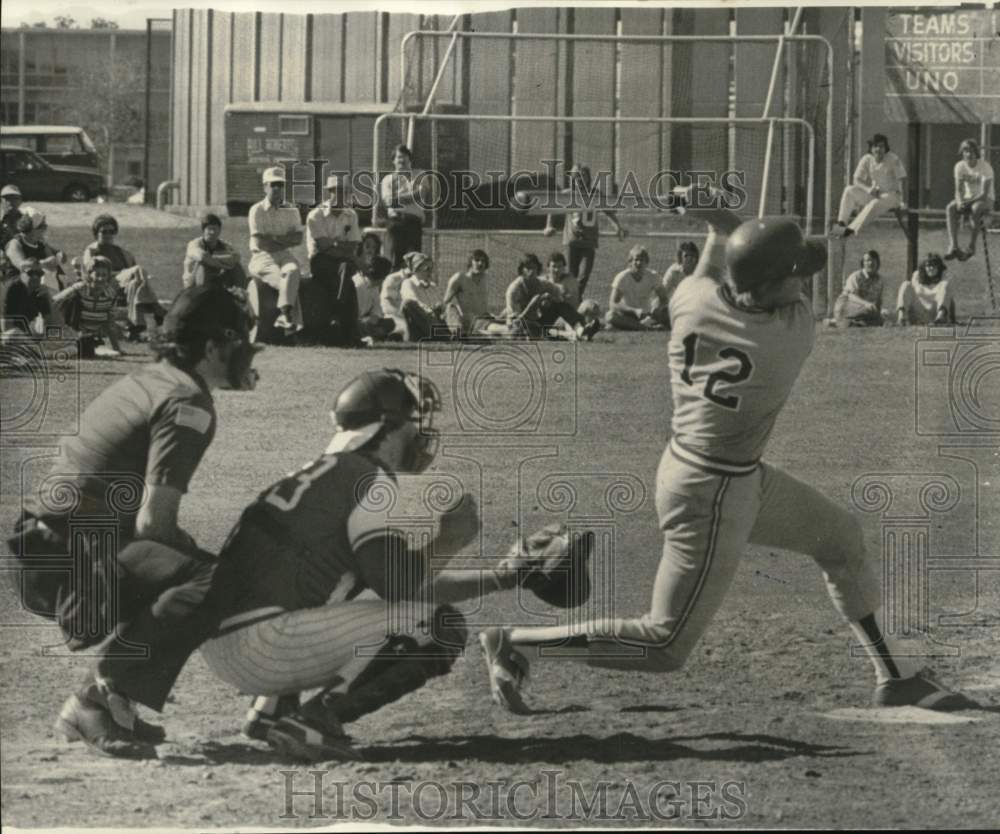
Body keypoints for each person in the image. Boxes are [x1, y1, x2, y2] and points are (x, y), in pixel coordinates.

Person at [480, 205, 979, 715]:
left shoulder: (690, 303)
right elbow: (744, 271)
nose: (804, 281)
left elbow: (715, 274)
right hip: (712, 494)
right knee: (665, 643)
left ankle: (895, 675)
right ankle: (517, 643)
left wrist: (719, 226)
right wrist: (725, 222)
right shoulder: (788, 334)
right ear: (768, 286)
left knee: (841, 540)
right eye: (795, 276)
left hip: (716, 473)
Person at [199, 369, 542, 761]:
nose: (422, 435)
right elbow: (398, 586)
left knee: (342, 596)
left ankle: (273, 709)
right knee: (440, 627)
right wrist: (449, 540)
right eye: (415, 423)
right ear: (390, 428)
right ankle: (316, 720)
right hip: (263, 645)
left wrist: (507, 576)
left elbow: (403, 592)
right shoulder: (369, 480)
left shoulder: (325, 473)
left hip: (225, 640)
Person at [5, 285, 261, 759]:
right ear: (211, 347)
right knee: (219, 580)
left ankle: (107, 700)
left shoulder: (152, 376)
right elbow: (153, 524)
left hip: (46, 547)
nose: (244, 353)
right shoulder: (189, 401)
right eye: (238, 342)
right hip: (71, 560)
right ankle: (96, 699)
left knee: (188, 572)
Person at [543, 163, 628, 298]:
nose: (580, 179)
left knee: (583, 277)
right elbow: (551, 207)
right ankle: (572, 302)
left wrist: (618, 227)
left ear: (588, 178)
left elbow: (609, 211)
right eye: (576, 176)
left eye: (583, 176)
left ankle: (573, 301)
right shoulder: (567, 194)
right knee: (571, 276)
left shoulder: (595, 194)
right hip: (572, 241)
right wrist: (549, 225)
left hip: (589, 241)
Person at [82, 213, 165, 340]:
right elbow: (91, 273)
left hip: (124, 288)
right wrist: (123, 273)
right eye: (104, 231)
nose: (108, 235)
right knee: (138, 270)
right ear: (96, 233)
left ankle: (134, 328)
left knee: (134, 285)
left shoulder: (121, 252)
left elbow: (136, 277)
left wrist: (132, 276)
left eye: (111, 231)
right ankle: (157, 308)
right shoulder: (92, 251)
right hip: (105, 284)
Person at [248, 166, 305, 334]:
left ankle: (285, 319)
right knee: (286, 283)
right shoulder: (256, 210)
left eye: (280, 185)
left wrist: (274, 239)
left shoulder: (292, 209)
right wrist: (285, 240)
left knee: (293, 271)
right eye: (273, 185)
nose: (277, 189)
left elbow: (298, 238)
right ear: (265, 186)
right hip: (261, 257)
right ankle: (289, 319)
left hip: (283, 255)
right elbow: (260, 243)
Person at [505, 253, 597, 340]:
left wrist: (549, 301)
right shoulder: (514, 290)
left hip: (538, 321)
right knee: (534, 329)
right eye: (528, 268)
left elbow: (561, 301)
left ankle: (580, 330)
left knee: (561, 306)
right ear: (521, 270)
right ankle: (572, 335)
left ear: (538, 269)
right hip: (522, 325)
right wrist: (532, 305)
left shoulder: (544, 284)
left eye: (534, 268)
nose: (532, 271)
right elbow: (517, 322)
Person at [832, 133, 907, 239]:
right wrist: (868, 189)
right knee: (849, 190)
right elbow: (856, 180)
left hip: (892, 196)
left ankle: (850, 230)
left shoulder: (893, 159)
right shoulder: (867, 159)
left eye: (881, 146)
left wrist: (903, 201)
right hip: (875, 195)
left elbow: (902, 179)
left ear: (886, 148)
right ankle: (841, 225)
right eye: (875, 146)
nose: (878, 149)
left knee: (874, 203)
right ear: (871, 149)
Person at [52, 255, 124, 357]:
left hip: (89, 336)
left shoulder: (110, 295)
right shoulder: (80, 289)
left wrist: (117, 348)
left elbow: (110, 323)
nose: (100, 278)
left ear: (108, 276)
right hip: (68, 331)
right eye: (97, 274)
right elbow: (55, 301)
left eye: (104, 275)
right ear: (90, 275)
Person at [944, 138, 995, 262]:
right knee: (951, 207)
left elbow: (984, 194)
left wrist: (968, 202)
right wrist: (960, 201)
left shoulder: (985, 166)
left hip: (986, 199)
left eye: (971, 151)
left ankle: (971, 246)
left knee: (976, 207)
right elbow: (958, 189)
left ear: (976, 152)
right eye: (966, 151)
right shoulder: (959, 166)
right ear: (962, 153)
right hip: (967, 199)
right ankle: (954, 246)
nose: (969, 154)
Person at [307, 174, 362, 284]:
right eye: (339, 191)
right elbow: (322, 246)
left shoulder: (351, 215)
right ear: (329, 192)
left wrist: (333, 243)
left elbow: (353, 245)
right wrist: (342, 247)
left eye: (346, 192)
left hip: (343, 258)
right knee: (336, 273)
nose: (344, 195)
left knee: (349, 270)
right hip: (320, 259)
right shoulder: (316, 215)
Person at [379, 144, 425, 269]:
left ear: (410, 159)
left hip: (414, 223)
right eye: (398, 157)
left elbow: (421, 195)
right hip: (396, 223)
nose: (401, 160)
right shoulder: (387, 180)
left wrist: (398, 198)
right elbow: (389, 202)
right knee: (395, 262)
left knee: (415, 263)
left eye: (404, 156)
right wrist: (411, 196)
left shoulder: (419, 175)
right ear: (393, 160)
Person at [606, 244, 671, 330]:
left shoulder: (653, 276)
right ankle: (648, 328)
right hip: (627, 314)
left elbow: (664, 299)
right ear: (630, 262)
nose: (639, 263)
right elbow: (613, 304)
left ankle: (632, 326)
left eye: (642, 260)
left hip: (647, 315)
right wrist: (633, 310)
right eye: (636, 260)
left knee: (669, 313)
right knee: (610, 316)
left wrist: (656, 310)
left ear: (646, 262)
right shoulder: (622, 277)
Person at [4, 207, 69, 292]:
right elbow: (22, 265)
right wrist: (42, 264)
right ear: (31, 229)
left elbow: (56, 255)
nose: (45, 229)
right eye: (42, 226)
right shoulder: (15, 244)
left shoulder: (39, 243)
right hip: (17, 286)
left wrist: (59, 256)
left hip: (36, 283)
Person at [442, 249, 498, 338]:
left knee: (507, 322)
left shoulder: (486, 279)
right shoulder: (460, 278)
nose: (480, 263)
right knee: (500, 332)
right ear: (470, 262)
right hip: (470, 321)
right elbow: (445, 303)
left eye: (483, 261)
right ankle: (464, 334)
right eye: (477, 260)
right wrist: (455, 321)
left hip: (484, 319)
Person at [182, 213, 246, 290]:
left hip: (216, 279)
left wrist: (211, 259)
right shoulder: (194, 244)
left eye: (215, 229)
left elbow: (236, 257)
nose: (212, 232)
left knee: (236, 266)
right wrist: (223, 265)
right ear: (203, 230)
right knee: (203, 265)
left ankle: (240, 293)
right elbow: (202, 257)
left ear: (219, 231)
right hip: (193, 284)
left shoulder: (224, 244)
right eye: (209, 229)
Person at [353, 231, 395, 342]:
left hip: (366, 319)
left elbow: (376, 307)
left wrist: (374, 317)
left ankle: (373, 334)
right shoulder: (358, 281)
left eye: (374, 247)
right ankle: (373, 334)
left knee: (390, 323)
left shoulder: (374, 285)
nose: (370, 250)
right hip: (354, 318)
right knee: (362, 325)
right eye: (367, 246)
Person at [1, 258, 57, 342]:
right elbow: (7, 329)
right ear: (21, 273)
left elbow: (51, 324)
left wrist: (48, 298)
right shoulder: (11, 290)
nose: (35, 277)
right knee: (12, 335)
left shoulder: (40, 291)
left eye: (39, 273)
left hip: (24, 336)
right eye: (30, 273)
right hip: (6, 337)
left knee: (60, 334)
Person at [896, 252, 955, 326]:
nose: (931, 268)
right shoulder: (917, 276)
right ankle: (901, 318)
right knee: (906, 284)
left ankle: (940, 318)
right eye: (928, 265)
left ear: (939, 267)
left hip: (935, 311)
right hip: (918, 312)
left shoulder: (944, 276)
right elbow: (910, 295)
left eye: (934, 265)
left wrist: (952, 318)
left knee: (945, 284)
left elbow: (949, 297)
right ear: (924, 267)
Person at [400, 253, 448, 341]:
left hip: (435, 320)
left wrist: (440, 308)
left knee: (449, 308)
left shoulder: (433, 286)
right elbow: (412, 301)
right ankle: (442, 335)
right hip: (421, 323)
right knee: (409, 303)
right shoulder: (408, 283)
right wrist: (429, 311)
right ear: (416, 269)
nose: (430, 272)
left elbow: (441, 305)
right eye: (427, 269)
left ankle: (449, 334)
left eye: (431, 269)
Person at [830, 250, 885, 327]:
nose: (870, 263)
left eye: (873, 260)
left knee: (880, 319)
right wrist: (867, 304)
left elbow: (879, 300)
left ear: (878, 263)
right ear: (863, 263)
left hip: (862, 309)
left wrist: (878, 315)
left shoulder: (880, 280)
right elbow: (851, 296)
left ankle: (842, 323)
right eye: (867, 260)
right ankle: (841, 320)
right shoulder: (856, 276)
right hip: (845, 306)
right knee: (870, 312)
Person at [661, 240, 699, 307]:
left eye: (692, 255)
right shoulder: (674, 271)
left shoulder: (701, 271)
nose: (689, 258)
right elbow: (663, 291)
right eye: (686, 255)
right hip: (678, 304)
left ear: (696, 257)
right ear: (680, 257)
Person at [1, 184, 26, 279]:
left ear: (20, 201)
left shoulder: (26, 221)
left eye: (15, 198)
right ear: (1, 201)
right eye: (7, 199)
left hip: (23, 256)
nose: (11, 202)